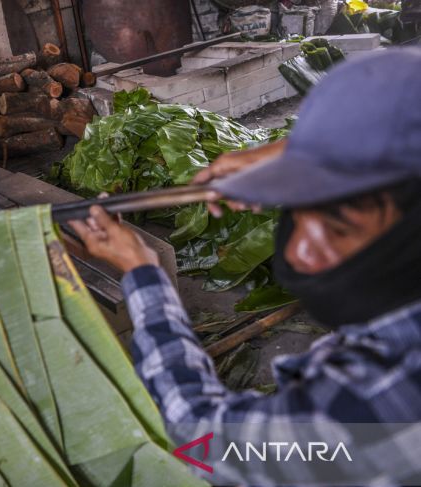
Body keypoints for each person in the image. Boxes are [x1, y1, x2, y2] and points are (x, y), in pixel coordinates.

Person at [70, 49, 421, 485]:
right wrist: (292, 154)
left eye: (337, 226)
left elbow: (201, 440)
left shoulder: (378, 398)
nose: (300, 252)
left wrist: (143, 273)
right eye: (297, 207)